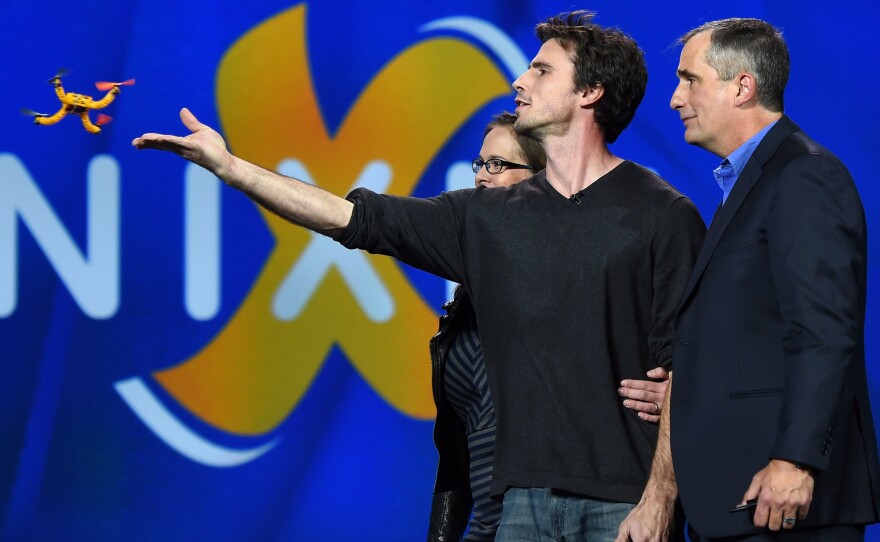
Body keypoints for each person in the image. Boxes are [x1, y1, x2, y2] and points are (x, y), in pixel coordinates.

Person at [133, 11, 705, 541]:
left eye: (541, 69)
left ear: (590, 92)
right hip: (520, 507)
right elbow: (350, 217)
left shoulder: (662, 214)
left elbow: (686, 364)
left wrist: (660, 498)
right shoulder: (485, 217)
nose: (520, 81)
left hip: (624, 502)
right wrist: (233, 170)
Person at [617, 18, 880, 542]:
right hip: (736, 500)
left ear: (742, 87)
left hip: (780, 500)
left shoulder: (803, 175)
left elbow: (823, 332)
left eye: (689, 79)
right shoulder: (751, 184)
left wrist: (796, 459)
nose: (674, 99)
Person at [427, 112, 671, 541]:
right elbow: (454, 458)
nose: (483, 177)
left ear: (546, 182)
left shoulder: (592, 283)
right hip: (498, 525)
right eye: (480, 164)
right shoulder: (466, 301)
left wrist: (676, 393)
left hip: (567, 510)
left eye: (499, 165)